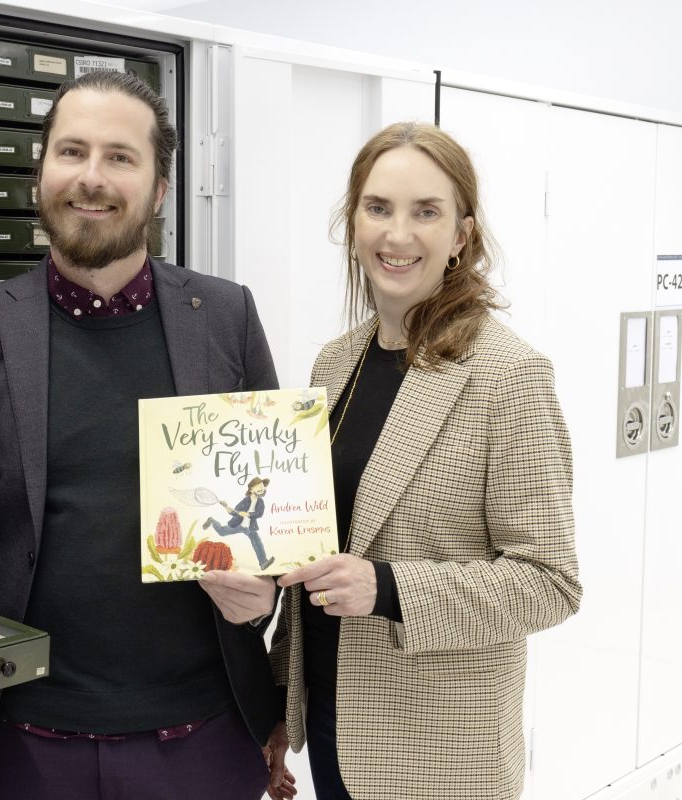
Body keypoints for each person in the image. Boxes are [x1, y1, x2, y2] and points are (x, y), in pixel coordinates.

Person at [0, 70, 289, 800]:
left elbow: (273, 516)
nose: (91, 178)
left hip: (205, 740)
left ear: (158, 190)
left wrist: (267, 591)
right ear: (41, 173)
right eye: (72, 152)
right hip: (23, 743)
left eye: (120, 157)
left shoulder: (225, 318)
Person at [265, 122, 583, 800]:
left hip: (439, 752)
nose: (397, 235)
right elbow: (312, 547)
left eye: (426, 212)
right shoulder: (334, 362)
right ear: (352, 222)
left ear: (462, 234)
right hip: (330, 724)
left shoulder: (510, 374)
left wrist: (388, 587)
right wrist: (277, 700)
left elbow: (551, 582)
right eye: (378, 208)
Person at [205, 477, 275, 569]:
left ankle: (263, 563)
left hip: (250, 527)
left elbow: (259, 514)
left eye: (262, 486)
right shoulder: (245, 500)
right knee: (222, 532)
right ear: (251, 489)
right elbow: (234, 512)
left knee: (257, 542)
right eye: (258, 486)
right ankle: (212, 521)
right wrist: (226, 506)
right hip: (238, 524)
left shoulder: (260, 501)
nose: (261, 488)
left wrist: (247, 514)